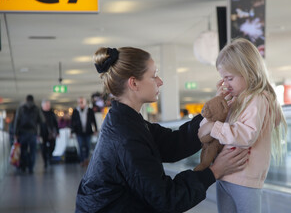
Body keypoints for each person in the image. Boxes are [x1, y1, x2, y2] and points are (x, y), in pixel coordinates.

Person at [76, 47, 250, 212]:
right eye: (154, 76)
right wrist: (215, 171)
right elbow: (166, 198)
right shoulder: (125, 135)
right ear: (134, 83)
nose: (160, 81)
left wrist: (212, 112)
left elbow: (173, 143)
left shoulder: (126, 121)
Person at [198, 38, 287, 213]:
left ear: (248, 72)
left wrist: (214, 127)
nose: (225, 84)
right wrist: (218, 102)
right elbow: (203, 130)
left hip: (245, 178)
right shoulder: (235, 101)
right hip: (225, 175)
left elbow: (247, 135)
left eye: (229, 78)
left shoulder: (258, 99)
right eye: (223, 79)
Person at [14, 95, 45, 174]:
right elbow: (42, 121)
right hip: (33, 133)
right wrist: (40, 133)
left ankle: (24, 166)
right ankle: (31, 168)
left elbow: (17, 121)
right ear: (33, 100)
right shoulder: (36, 108)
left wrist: (15, 133)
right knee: (33, 151)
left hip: (22, 133)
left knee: (23, 150)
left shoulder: (21, 108)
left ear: (26, 100)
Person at [71, 97, 98, 167]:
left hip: (88, 131)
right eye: (80, 102)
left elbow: (93, 120)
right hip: (79, 132)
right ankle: (82, 160)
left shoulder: (90, 110)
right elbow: (72, 122)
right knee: (80, 146)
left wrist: (95, 129)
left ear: (85, 102)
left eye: (82, 102)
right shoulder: (75, 111)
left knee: (88, 146)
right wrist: (72, 132)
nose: (81, 103)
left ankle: (86, 159)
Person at [40, 99, 59, 168]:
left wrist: (57, 131)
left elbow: (55, 122)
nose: (48, 106)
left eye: (49, 105)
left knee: (53, 145)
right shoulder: (40, 113)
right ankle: (45, 161)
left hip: (51, 132)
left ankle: (49, 156)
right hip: (43, 133)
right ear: (43, 106)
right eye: (47, 105)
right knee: (43, 147)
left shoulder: (52, 113)